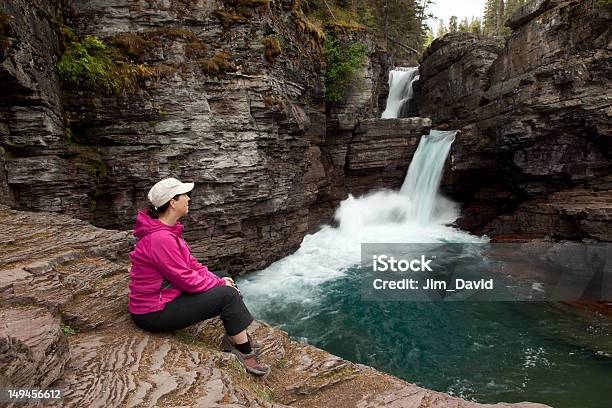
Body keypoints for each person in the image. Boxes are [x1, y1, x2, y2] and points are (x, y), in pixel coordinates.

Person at [128, 177, 269, 376]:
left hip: (163, 298)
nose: (189, 199)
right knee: (228, 295)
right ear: (172, 202)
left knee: (223, 278)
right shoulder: (160, 238)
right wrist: (220, 285)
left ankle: (235, 334)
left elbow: (191, 265)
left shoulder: (165, 230)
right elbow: (186, 279)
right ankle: (243, 351)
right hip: (153, 313)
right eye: (184, 195)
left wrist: (218, 279)